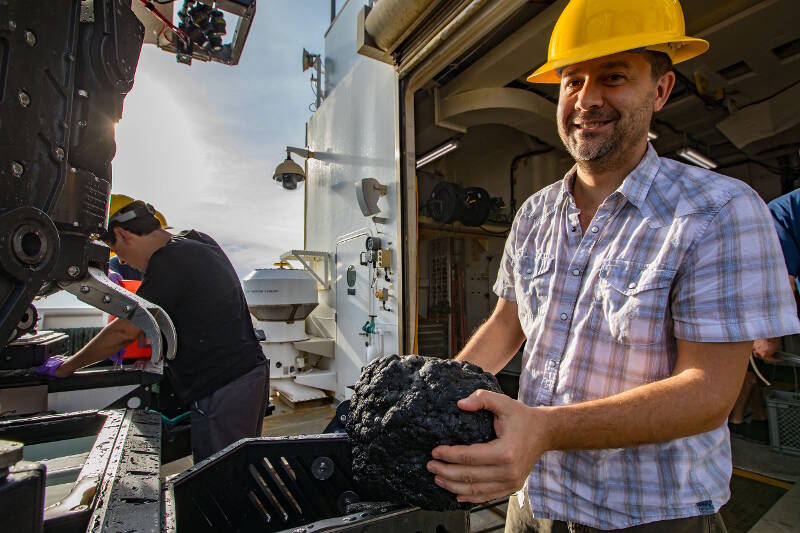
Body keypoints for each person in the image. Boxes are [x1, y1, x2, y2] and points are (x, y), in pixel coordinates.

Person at [424, 1, 800, 531]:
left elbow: (708, 391)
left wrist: (546, 429)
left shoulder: (719, 210)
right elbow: (508, 323)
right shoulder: (534, 213)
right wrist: (438, 393)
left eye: (614, 76)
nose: (587, 99)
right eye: (572, 80)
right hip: (532, 506)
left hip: (650, 515)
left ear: (661, 90)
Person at [38, 197, 268, 462]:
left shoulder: (167, 262)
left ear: (123, 234)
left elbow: (124, 332)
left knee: (221, 473)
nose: (128, 264)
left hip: (223, 385)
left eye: (120, 255)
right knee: (240, 464)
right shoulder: (196, 239)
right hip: (248, 372)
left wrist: (68, 366)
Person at [731, 188, 800, 440]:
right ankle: (750, 417)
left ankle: (739, 421)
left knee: (746, 377)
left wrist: (768, 335)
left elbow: (781, 281)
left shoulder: (785, 209)